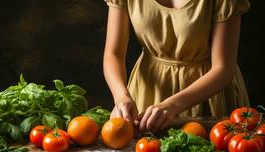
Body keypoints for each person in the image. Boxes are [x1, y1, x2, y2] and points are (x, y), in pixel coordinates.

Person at [102, 0, 250, 133]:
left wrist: (172, 105)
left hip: (209, 94)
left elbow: (223, 69)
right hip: (148, 93)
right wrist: (121, 96)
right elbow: (113, 54)